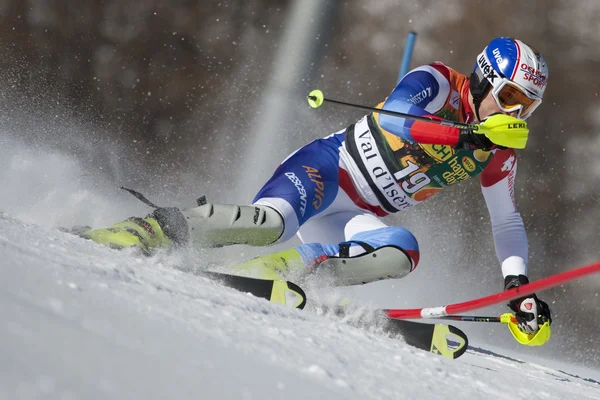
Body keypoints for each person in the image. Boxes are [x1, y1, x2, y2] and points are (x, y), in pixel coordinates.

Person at [77, 37, 551, 335]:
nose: (513, 114)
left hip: (352, 214)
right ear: (485, 78)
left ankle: (280, 272)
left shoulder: (498, 150)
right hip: (327, 170)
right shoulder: (438, 82)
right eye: (509, 97)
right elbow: (393, 119)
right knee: (271, 224)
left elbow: (506, 219)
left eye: (525, 107)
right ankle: (152, 229)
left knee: (403, 248)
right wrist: (461, 132)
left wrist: (517, 284)